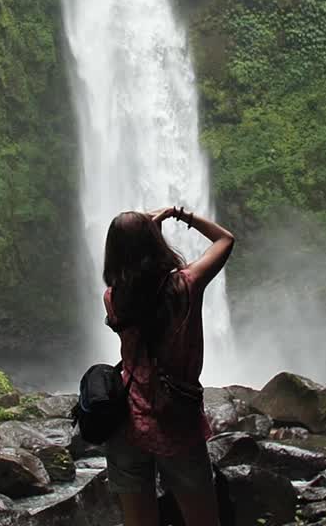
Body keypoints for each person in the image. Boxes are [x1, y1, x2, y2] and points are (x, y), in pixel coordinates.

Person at [103, 206, 234, 526]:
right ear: (155, 243)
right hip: (175, 423)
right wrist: (179, 215)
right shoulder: (187, 285)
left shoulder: (112, 297)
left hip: (127, 422)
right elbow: (225, 240)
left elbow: (139, 284)